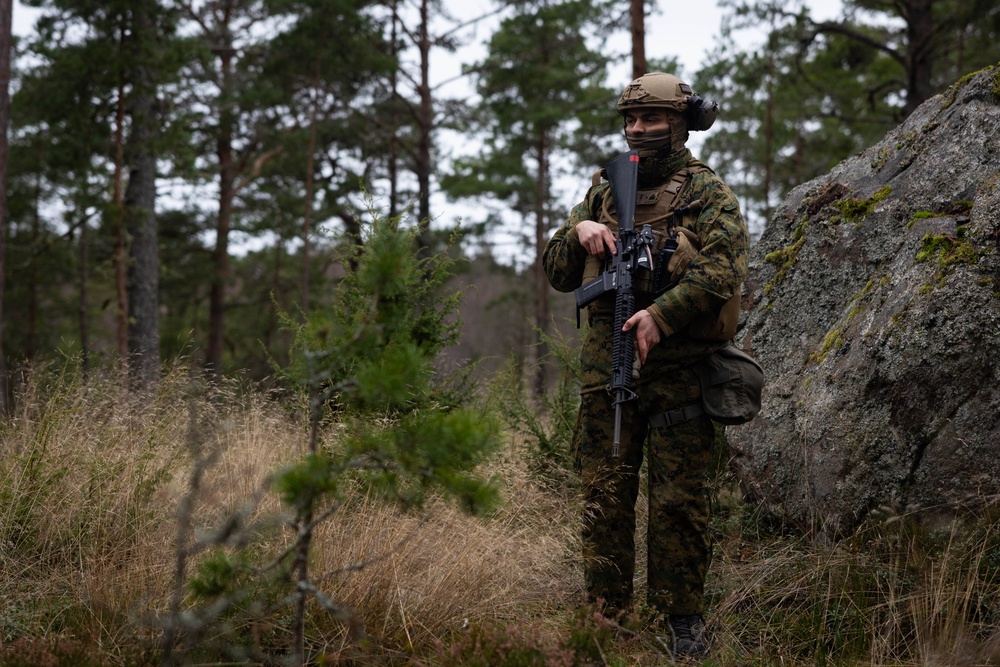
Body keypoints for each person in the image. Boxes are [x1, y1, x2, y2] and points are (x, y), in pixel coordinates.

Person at [542, 72, 749, 658]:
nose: (638, 129)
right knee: (605, 498)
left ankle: (683, 622)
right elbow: (558, 275)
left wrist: (661, 315)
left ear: (679, 123)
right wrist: (576, 231)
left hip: (678, 374)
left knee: (679, 504)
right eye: (631, 119)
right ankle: (606, 620)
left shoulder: (706, 194)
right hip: (606, 372)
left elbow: (724, 271)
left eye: (651, 119)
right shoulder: (604, 190)